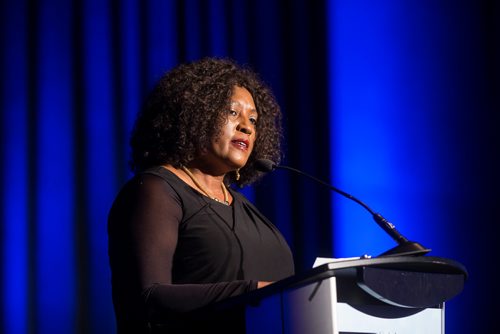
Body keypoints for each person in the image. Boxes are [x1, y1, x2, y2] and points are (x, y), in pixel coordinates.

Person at [107, 57, 295, 333]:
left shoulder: (245, 210)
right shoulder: (156, 190)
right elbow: (147, 297)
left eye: (253, 120)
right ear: (197, 115)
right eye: (233, 113)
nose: (247, 126)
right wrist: (253, 292)